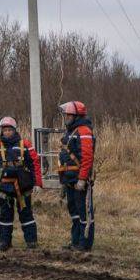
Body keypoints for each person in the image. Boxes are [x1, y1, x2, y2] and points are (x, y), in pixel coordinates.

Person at [0, 116, 42, 250]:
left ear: (14, 130)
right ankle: (5, 242)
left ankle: (31, 242)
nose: (7, 132)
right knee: (5, 215)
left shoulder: (25, 145)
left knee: (26, 214)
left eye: (9, 130)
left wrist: (37, 183)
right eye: (4, 130)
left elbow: (35, 164)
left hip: (23, 186)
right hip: (5, 187)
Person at [57, 101, 96, 251]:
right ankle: (75, 241)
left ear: (76, 115)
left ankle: (84, 243)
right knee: (74, 211)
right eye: (66, 114)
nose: (66, 117)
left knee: (83, 211)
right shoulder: (71, 131)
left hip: (79, 178)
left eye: (69, 114)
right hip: (69, 178)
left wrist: (82, 178)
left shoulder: (84, 131)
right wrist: (63, 180)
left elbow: (87, 157)